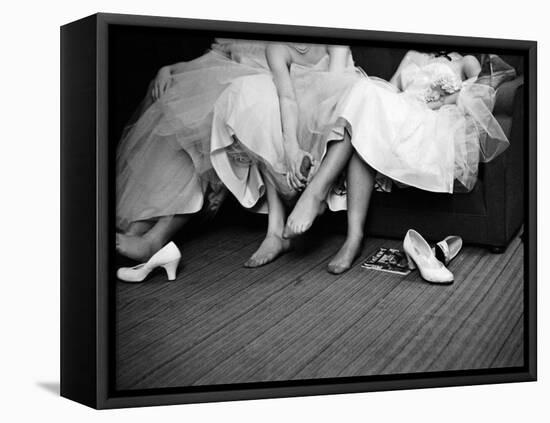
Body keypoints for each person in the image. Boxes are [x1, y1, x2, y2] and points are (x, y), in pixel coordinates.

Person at [325, 50, 510, 274]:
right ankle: (353, 238)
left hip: (433, 123)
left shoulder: (467, 61)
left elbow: (482, 97)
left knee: (365, 131)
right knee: (366, 111)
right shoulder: (412, 54)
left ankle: (345, 228)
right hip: (401, 114)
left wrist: (441, 101)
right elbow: (390, 89)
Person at [116, 39, 272, 261]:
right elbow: (213, 61)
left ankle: (155, 239)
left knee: (201, 122)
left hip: (258, 95)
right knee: (172, 97)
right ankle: (140, 224)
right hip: (229, 85)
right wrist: (170, 69)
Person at [210, 42, 361, 267]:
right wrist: (292, 151)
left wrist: (317, 156)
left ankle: (315, 192)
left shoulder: (333, 38)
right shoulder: (276, 48)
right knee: (268, 111)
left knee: (354, 105)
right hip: (299, 108)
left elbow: (332, 95)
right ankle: (274, 232)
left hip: (334, 108)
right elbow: (287, 98)